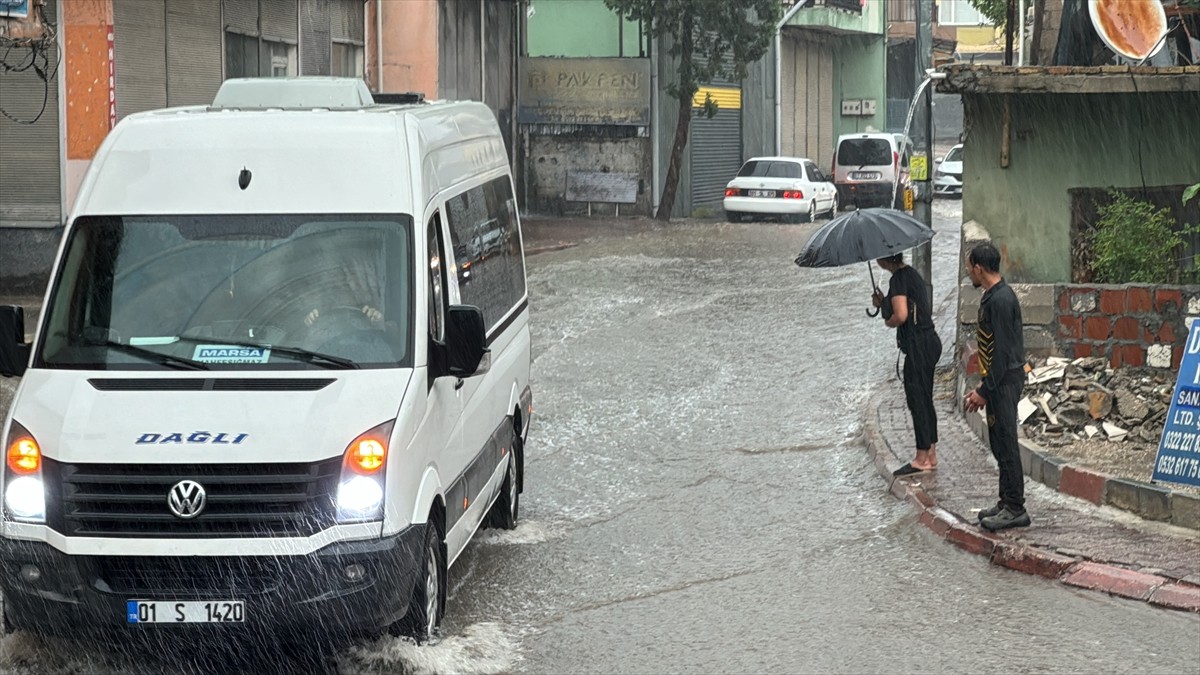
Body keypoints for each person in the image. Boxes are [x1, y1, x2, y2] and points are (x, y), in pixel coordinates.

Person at [963, 243, 1031, 531]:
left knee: (1006, 442)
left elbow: (1002, 353)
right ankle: (1005, 501)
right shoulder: (992, 296)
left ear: (979, 268)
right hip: (997, 381)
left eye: (970, 268)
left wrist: (984, 391)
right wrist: (984, 383)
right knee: (998, 442)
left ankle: (1015, 508)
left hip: (1005, 381)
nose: (968, 273)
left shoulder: (1002, 300)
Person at [872, 253, 942, 476]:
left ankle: (922, 458)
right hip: (929, 341)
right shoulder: (911, 274)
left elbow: (901, 315)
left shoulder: (898, 279)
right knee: (925, 399)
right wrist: (883, 302)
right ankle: (930, 453)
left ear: (884, 260)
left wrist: (888, 321)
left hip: (919, 347)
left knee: (917, 402)